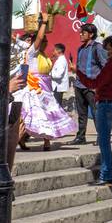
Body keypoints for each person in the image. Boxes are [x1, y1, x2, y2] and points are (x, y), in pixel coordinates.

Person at [17, 16, 77, 152]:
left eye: (46, 41)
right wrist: (44, 22)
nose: (45, 42)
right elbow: (38, 39)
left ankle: (46, 142)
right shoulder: (31, 52)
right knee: (33, 115)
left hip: (46, 88)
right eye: (43, 40)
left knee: (49, 113)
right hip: (34, 87)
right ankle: (17, 140)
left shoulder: (44, 55)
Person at [82, 35, 112, 185]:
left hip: (106, 104)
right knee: (105, 141)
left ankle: (106, 175)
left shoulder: (111, 66)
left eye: (106, 48)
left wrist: (77, 71)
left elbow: (94, 83)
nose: (104, 50)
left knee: (104, 143)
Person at [72, 23, 106, 145]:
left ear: (91, 34)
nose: (80, 34)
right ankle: (81, 137)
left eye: (83, 33)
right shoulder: (80, 49)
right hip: (79, 85)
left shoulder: (98, 48)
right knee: (82, 113)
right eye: (81, 32)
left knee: (97, 113)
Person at [50, 42, 72, 110]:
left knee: (57, 106)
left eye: (54, 50)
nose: (53, 52)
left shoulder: (61, 61)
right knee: (56, 105)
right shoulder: (59, 60)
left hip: (58, 87)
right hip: (57, 86)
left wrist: (49, 73)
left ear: (58, 51)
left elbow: (58, 75)